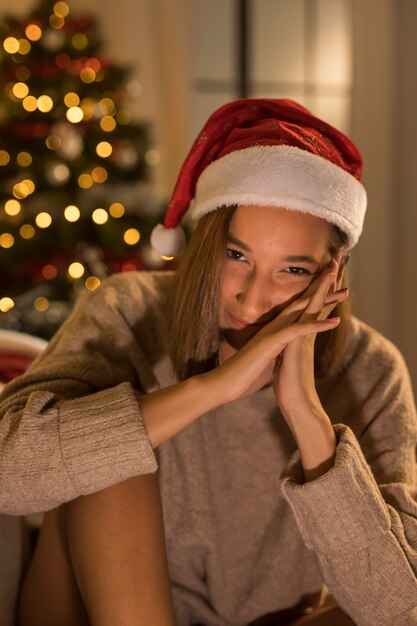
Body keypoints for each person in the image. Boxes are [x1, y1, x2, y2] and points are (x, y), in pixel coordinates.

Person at [0, 98, 416, 626]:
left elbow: (399, 611)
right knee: (112, 451)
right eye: (236, 256)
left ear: (333, 275)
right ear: (204, 244)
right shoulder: (129, 310)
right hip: (90, 613)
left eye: (292, 270)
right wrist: (210, 390)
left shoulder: (372, 370)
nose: (252, 301)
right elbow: (7, 475)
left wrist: (310, 422)